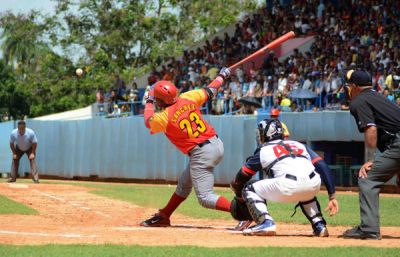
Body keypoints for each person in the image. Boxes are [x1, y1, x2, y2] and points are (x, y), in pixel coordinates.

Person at [140, 67, 232, 227]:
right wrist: (222, 76)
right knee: (184, 183)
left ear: (161, 101)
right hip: (215, 143)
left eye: (157, 99)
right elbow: (211, 90)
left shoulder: (164, 117)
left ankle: (244, 211)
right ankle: (164, 215)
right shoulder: (188, 97)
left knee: (205, 197)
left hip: (202, 152)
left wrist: (149, 101)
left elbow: (148, 120)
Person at [230, 119, 339, 236]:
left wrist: (239, 195)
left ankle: (266, 222)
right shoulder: (299, 145)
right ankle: (319, 225)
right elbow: (323, 166)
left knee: (248, 188)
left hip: (287, 185)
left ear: (267, 134)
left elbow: (243, 175)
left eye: (261, 132)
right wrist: (332, 196)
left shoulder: (264, 150)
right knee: (305, 187)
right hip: (313, 184)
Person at [342, 70, 400, 240]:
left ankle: (369, 229)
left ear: (354, 86)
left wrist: (369, 161)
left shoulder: (358, 100)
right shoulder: (380, 97)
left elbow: (371, 128)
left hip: (397, 143)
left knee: (367, 177)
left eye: (349, 86)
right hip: (396, 144)